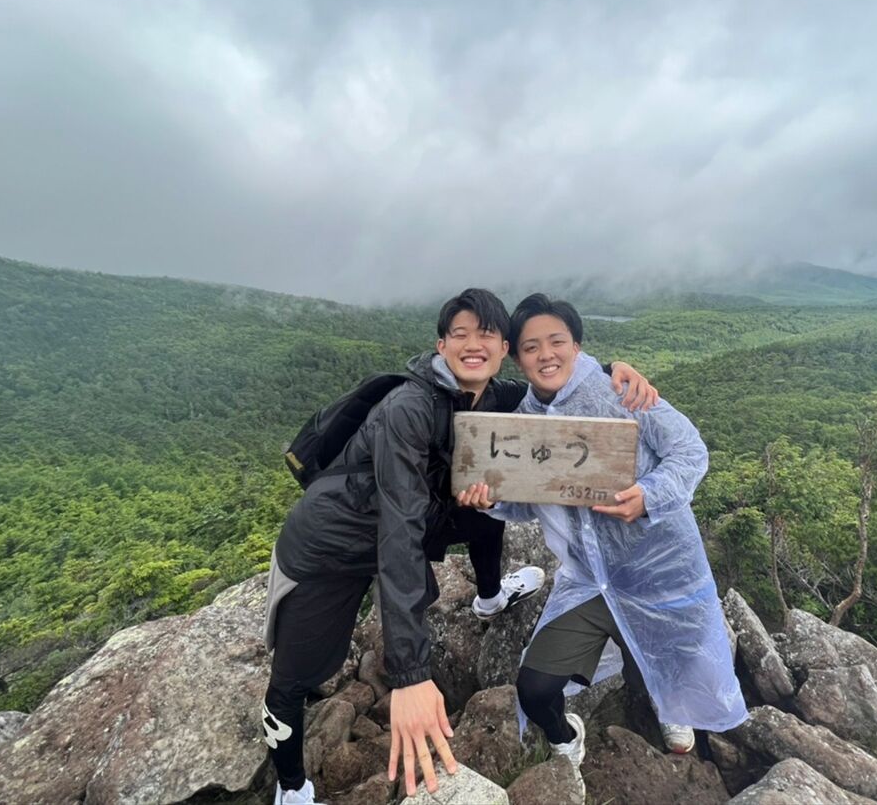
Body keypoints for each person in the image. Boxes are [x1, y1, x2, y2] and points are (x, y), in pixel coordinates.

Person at [262, 289, 658, 804]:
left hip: (410, 524)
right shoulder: (408, 408)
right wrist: (410, 676)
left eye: (486, 334)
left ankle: (490, 598)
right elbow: (399, 531)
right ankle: (292, 787)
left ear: (504, 349)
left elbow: (550, 380)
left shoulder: (492, 396)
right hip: (330, 549)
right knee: (294, 679)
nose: (473, 344)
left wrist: (610, 371)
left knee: (487, 493)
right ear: (441, 345)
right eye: (460, 334)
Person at [460, 292, 747, 792]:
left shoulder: (622, 392)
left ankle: (670, 708)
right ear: (517, 358)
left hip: (658, 573)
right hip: (590, 582)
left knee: (661, 666)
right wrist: (491, 502)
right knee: (535, 688)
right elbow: (532, 503)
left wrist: (649, 495)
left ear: (577, 345)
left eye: (557, 342)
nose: (546, 355)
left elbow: (689, 450)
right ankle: (565, 737)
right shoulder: (523, 423)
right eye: (531, 347)